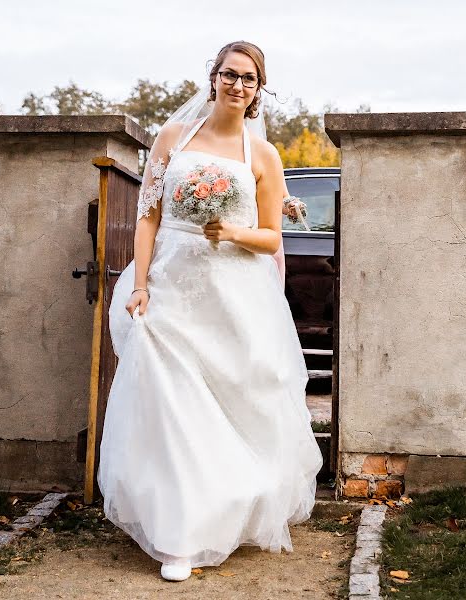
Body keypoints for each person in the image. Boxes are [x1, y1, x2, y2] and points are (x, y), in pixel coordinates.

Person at [97, 40, 323, 582]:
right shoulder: (174, 138)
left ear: (258, 90)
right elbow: (149, 216)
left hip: (232, 294)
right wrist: (142, 283)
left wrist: (232, 231)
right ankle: (177, 534)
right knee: (172, 403)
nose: (237, 85)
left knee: (231, 403)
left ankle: (225, 509)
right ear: (213, 77)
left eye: (248, 78)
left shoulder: (262, 156)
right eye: (228, 74)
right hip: (171, 286)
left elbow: (271, 238)